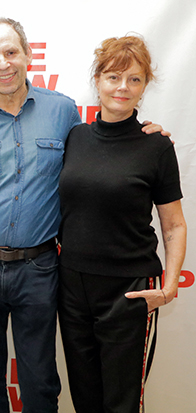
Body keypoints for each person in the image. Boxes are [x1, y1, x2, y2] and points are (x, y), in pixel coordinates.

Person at [0, 18, 168, 413]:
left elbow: (98, 157)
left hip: (39, 268)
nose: (3, 63)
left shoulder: (62, 112)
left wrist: (145, 140)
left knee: (41, 381)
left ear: (27, 55)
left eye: (11, 52)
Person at [57, 35, 186, 413]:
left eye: (134, 79)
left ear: (145, 86)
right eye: (114, 77)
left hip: (129, 290)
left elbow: (174, 225)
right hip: (73, 285)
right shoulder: (75, 137)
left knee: (122, 402)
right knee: (85, 397)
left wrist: (170, 284)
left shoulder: (156, 146)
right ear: (97, 80)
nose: (123, 88)